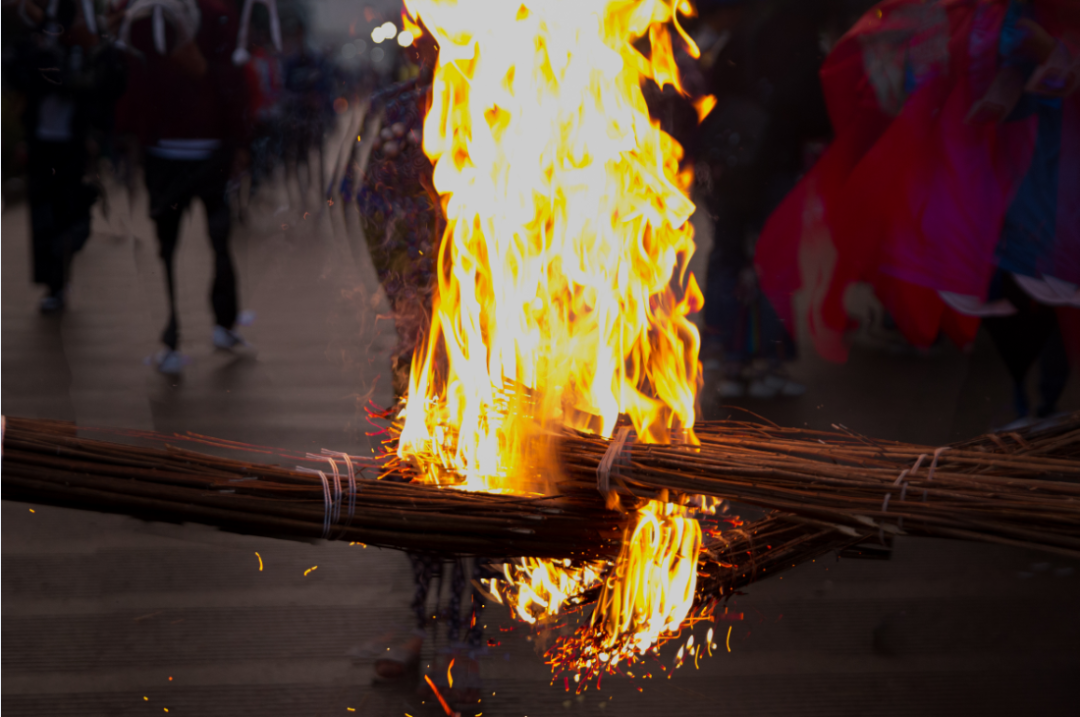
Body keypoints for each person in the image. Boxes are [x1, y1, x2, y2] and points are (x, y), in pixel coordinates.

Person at [754, 0, 1079, 423]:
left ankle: (1042, 404)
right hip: (994, 178)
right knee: (1017, 291)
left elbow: (1050, 77)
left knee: (1044, 293)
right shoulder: (972, 18)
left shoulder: (1034, 21)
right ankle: (1027, 405)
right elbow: (941, 76)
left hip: (1037, 179)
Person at [690, 0, 836, 398]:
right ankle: (768, 365)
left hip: (733, 165)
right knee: (773, 265)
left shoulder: (747, 32)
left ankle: (728, 360)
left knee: (727, 256)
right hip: (776, 166)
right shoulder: (804, 41)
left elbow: (716, 82)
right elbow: (817, 114)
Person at [115, 0, 251, 374]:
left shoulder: (216, 14)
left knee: (221, 239)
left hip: (211, 154)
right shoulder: (143, 17)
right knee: (166, 247)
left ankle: (225, 322)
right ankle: (171, 334)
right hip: (163, 155)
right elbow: (130, 74)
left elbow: (236, 76)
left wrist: (239, 142)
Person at [6, 0, 127, 313]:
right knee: (44, 216)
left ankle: (61, 269)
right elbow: (23, 75)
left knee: (72, 214)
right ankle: (54, 285)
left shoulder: (85, 53)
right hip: (41, 145)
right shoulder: (37, 47)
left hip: (72, 146)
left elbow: (97, 88)